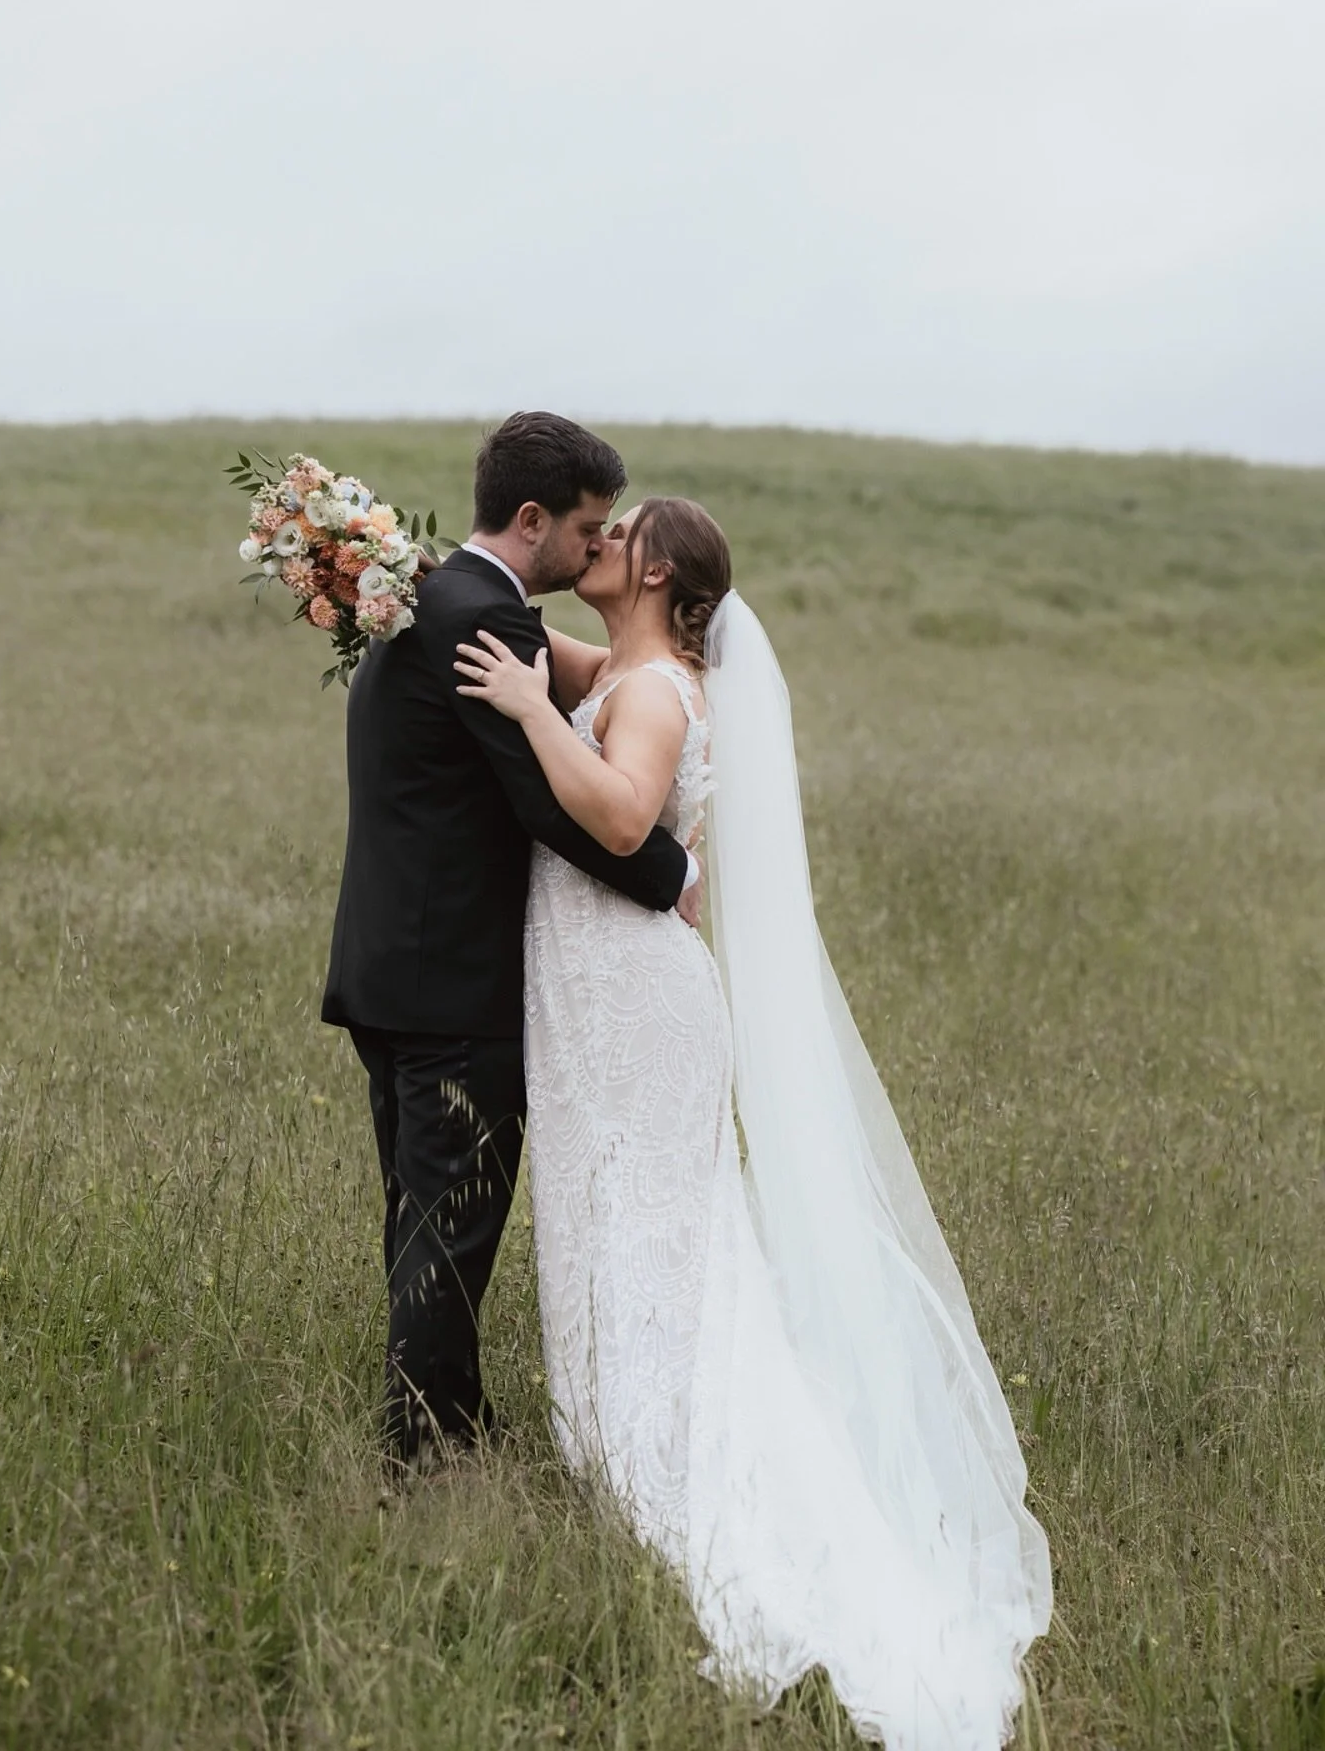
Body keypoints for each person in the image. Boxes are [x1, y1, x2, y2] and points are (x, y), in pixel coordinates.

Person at [454, 497, 1053, 1751]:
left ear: (657, 569)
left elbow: (623, 818)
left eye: (613, 535)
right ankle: (621, 1441)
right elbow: (546, 659)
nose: (594, 544)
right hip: (604, 992)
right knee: (618, 1220)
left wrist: (521, 714)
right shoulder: (626, 667)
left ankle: (665, 1468)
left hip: (633, 1008)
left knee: (659, 1232)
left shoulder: (660, 691)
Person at [320, 413, 700, 1464]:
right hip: (453, 991)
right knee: (449, 1227)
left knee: (422, 1218)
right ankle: (427, 1451)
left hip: (391, 965)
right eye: (587, 528)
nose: (595, 547)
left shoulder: (438, 595)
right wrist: (679, 871)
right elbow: (550, 805)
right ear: (532, 519)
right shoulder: (485, 619)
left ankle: (445, 1416)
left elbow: (608, 682)